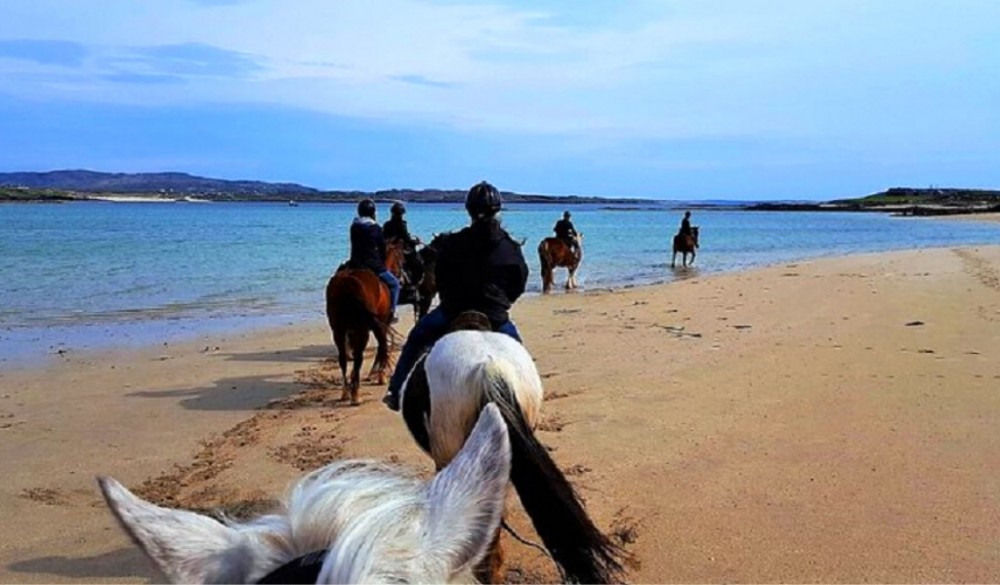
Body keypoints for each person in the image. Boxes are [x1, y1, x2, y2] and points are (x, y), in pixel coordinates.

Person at [383, 181, 529, 411]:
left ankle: (396, 390)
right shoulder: (511, 247)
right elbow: (519, 282)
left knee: (417, 338)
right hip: (495, 317)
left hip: (453, 312)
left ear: (469, 210)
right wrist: (501, 304)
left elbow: (441, 277)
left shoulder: (453, 242)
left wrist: (452, 299)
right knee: (520, 356)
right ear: (498, 210)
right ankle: (525, 402)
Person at [349, 198, 400, 321]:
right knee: (395, 284)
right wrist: (381, 263)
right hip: (372, 265)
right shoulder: (375, 228)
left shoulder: (354, 226)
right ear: (372, 212)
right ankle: (391, 313)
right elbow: (382, 248)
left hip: (355, 264)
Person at [382, 201, 424, 290]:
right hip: (400, 250)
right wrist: (416, 242)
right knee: (417, 264)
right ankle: (413, 284)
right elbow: (406, 239)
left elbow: (384, 238)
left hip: (388, 250)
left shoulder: (387, 224)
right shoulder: (402, 224)